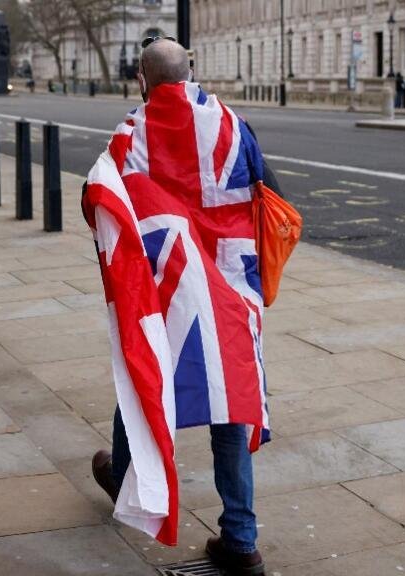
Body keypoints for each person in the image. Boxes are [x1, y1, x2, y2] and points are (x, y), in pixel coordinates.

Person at [88, 36, 274, 576]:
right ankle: (241, 539)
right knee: (229, 403)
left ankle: (125, 478)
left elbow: (103, 200)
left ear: (142, 80)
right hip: (231, 288)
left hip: (166, 289)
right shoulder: (233, 124)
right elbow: (267, 190)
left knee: (142, 374)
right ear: (191, 72)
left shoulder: (130, 133)